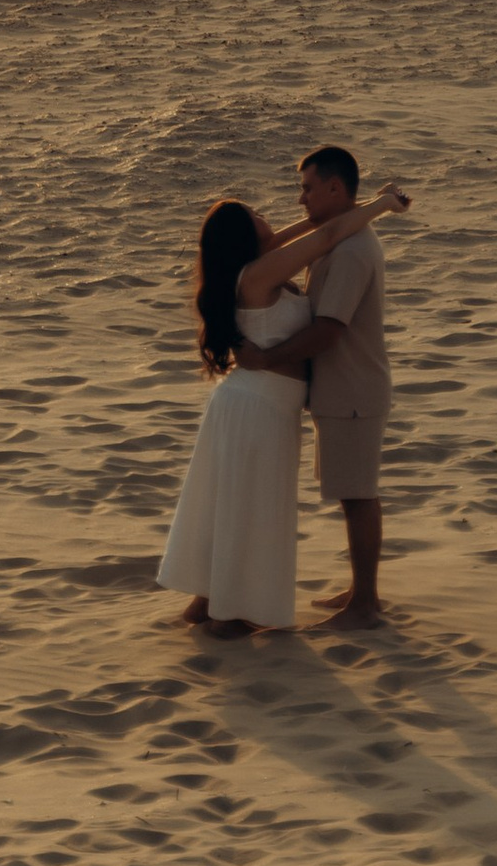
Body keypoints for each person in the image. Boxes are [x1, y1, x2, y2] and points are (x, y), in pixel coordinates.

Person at [155, 180, 400, 634]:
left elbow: (310, 227)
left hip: (257, 403)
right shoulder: (259, 274)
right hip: (259, 406)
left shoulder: (254, 265)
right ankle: (228, 615)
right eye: (254, 212)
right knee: (249, 506)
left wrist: (360, 205)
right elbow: (327, 235)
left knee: (236, 501)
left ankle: (208, 603)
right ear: (243, 234)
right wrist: (383, 204)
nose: (265, 214)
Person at [238, 146, 401, 627]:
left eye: (307, 188)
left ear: (334, 187)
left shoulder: (350, 251)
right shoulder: (343, 239)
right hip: (344, 388)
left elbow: (329, 330)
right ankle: (361, 592)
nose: (301, 198)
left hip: (353, 389)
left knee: (358, 495)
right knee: (354, 492)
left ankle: (365, 603)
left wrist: (266, 359)